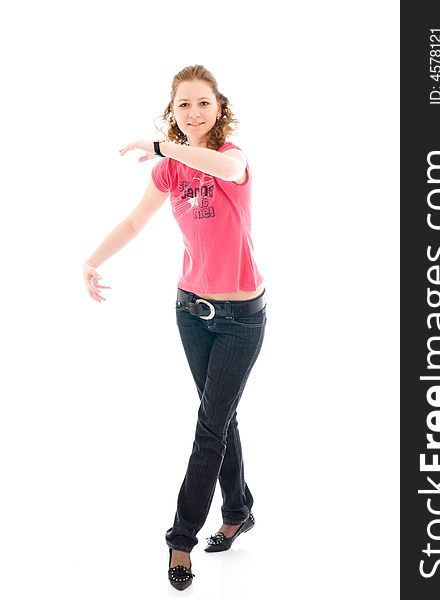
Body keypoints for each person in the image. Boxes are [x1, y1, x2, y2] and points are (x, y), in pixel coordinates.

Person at [82, 64, 266, 591]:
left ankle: (180, 539)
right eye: (183, 104)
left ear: (218, 108)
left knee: (209, 425)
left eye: (203, 103)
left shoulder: (231, 157)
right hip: (191, 311)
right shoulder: (169, 169)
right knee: (220, 418)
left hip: (240, 318)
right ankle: (238, 511)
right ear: (173, 110)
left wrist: (164, 146)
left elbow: (223, 171)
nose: (193, 112)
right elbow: (137, 220)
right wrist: (92, 261)